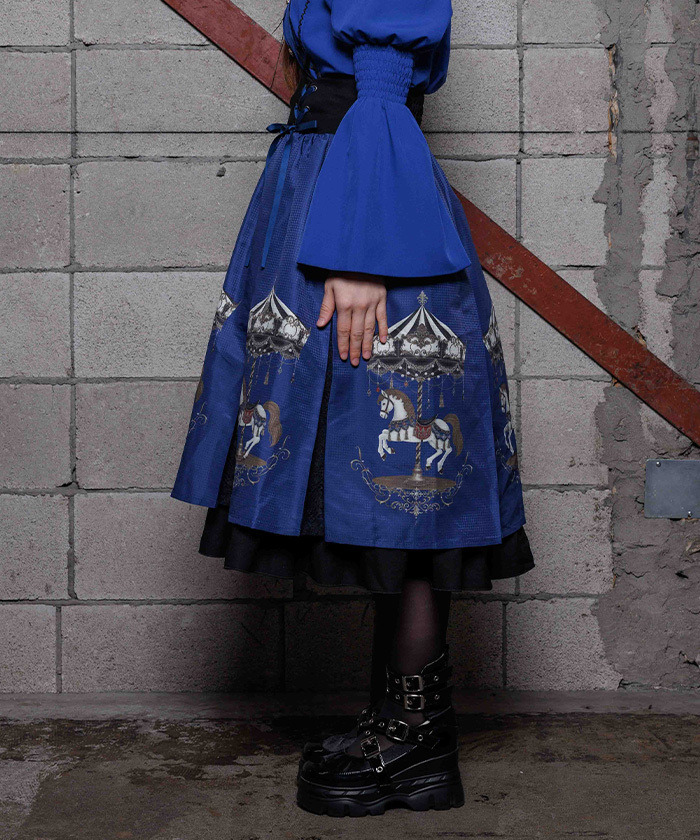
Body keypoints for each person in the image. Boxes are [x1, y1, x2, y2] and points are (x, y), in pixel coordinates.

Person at [170, 0, 536, 818]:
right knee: (372, 480)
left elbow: (382, 83)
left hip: (366, 206)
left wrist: (366, 253)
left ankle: (416, 739)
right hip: (335, 191)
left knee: (403, 486)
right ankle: (401, 728)